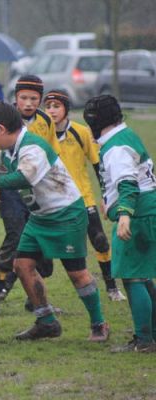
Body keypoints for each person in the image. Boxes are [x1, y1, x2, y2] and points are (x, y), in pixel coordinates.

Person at [0, 101, 110, 342]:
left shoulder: (33, 147)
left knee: (77, 273)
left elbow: (22, 178)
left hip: (66, 214)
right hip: (40, 218)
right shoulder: (7, 152)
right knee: (21, 265)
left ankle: (99, 323)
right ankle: (46, 321)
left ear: (1, 129)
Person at [0, 75, 58, 314]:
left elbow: (51, 153)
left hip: (37, 189)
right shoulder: (3, 119)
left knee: (42, 245)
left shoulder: (45, 121)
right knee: (15, 237)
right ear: (16, 98)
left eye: (34, 99)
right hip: (10, 188)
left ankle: (33, 295)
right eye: (23, 98)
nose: (28, 103)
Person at [84, 95, 156, 352]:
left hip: (137, 214)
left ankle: (144, 340)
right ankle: (152, 335)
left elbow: (127, 183)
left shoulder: (115, 147)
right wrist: (110, 202)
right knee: (143, 275)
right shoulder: (126, 135)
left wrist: (123, 213)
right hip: (148, 211)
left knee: (132, 277)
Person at [43, 89, 126, 301]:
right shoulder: (41, 135)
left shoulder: (81, 132)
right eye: (48, 106)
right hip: (54, 202)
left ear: (66, 109)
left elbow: (99, 166)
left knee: (99, 240)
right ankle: (35, 298)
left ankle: (111, 287)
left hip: (84, 199)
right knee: (46, 251)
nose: (52, 111)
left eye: (56, 106)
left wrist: (107, 196)